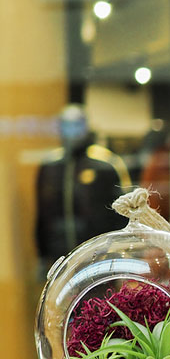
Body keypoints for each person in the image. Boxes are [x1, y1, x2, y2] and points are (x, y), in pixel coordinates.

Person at [34, 104, 132, 274]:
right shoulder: (50, 166)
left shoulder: (106, 164)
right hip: (60, 257)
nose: (72, 132)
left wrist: (120, 251)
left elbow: (124, 212)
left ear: (87, 126)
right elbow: (42, 214)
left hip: (100, 257)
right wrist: (42, 256)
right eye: (67, 126)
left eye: (77, 125)